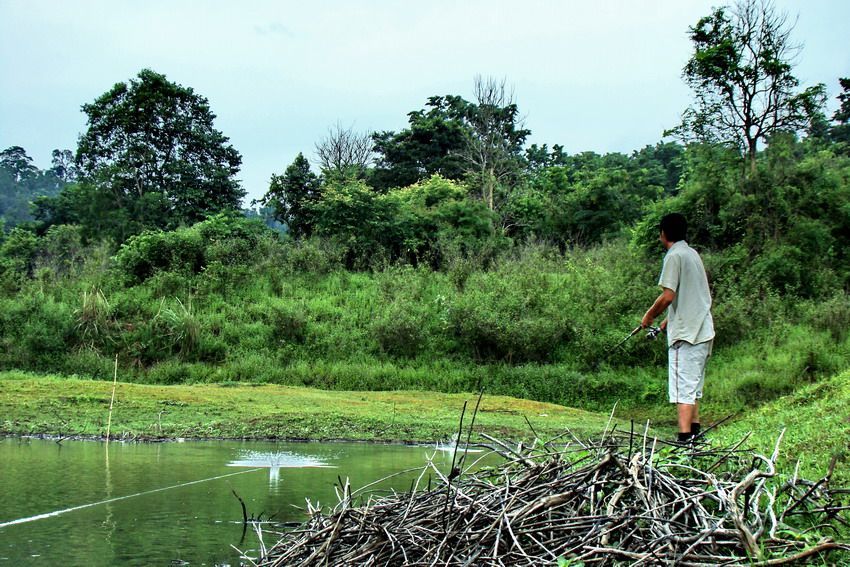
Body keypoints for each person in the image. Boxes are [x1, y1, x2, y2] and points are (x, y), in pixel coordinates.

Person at [641, 213, 714, 443]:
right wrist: (664, 323)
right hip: (702, 330)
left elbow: (668, 296)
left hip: (687, 336)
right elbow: (689, 298)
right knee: (692, 390)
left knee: (683, 392)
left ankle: (684, 443)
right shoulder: (692, 254)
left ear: (663, 233)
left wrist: (649, 316)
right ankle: (695, 439)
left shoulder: (674, 256)